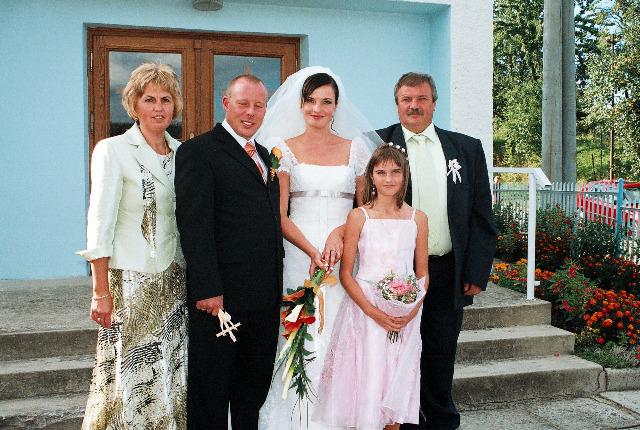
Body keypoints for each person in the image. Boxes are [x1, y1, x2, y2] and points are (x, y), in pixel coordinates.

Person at [256, 66, 380, 430]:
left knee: (340, 332)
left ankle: (338, 417)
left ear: (336, 106)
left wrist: (341, 234)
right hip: (299, 254)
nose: (317, 109)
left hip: (343, 255)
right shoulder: (283, 149)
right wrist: (311, 251)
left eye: (326, 102)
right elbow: (280, 215)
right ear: (300, 104)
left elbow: (365, 208)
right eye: (310, 101)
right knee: (300, 331)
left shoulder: (355, 149)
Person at [377, 72, 496, 430]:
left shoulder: (466, 149)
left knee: (440, 352)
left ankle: (441, 420)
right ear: (396, 104)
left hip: (446, 270)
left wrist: (476, 271)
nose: (414, 106)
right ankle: (403, 420)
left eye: (422, 99)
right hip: (394, 272)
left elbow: (481, 216)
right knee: (396, 352)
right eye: (406, 99)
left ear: (434, 103)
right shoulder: (375, 144)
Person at [77, 62, 187, 429]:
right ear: (134, 104)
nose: (159, 108)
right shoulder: (113, 150)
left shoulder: (183, 152)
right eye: (149, 99)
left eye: (166, 99)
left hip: (176, 279)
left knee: (170, 372)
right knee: (131, 375)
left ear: (175, 105)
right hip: (131, 282)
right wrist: (100, 291)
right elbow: (100, 223)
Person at [175, 74, 284, 430]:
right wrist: (208, 288)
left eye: (258, 106)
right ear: (226, 104)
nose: (251, 113)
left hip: (263, 298)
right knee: (211, 392)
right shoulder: (199, 152)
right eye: (243, 104)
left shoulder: (265, 156)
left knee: (252, 391)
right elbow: (194, 225)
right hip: (221, 300)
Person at [313, 144, 429, 430]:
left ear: (405, 175)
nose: (389, 179)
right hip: (366, 311)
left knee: (397, 381)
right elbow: (346, 274)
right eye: (381, 172)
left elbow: (422, 274)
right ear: (371, 176)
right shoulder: (358, 217)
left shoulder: (418, 218)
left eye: (395, 172)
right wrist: (372, 311)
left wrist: (411, 310)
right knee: (371, 376)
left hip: (405, 313)